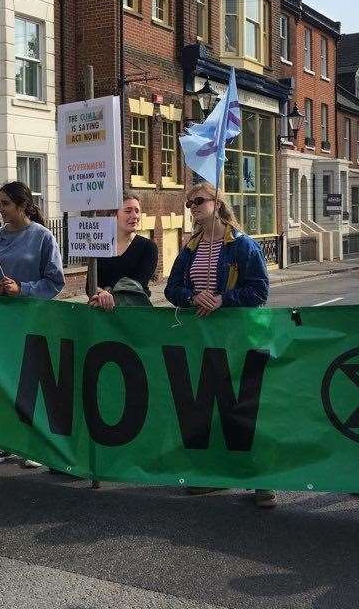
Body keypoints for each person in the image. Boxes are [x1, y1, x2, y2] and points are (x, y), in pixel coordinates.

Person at [164, 182, 274, 508]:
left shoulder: (242, 246)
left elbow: (258, 292)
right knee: (205, 408)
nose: (193, 207)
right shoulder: (190, 247)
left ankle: (262, 481)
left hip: (238, 339)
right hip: (202, 340)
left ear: (217, 202)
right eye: (190, 203)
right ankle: (211, 475)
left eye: (199, 201)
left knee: (242, 408)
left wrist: (223, 300)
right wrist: (191, 295)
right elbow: (172, 288)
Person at [0, 181, 65, 468]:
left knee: (33, 383)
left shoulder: (43, 237)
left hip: (34, 321)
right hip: (0, 324)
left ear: (23, 205)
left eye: (5, 204)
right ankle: (6, 442)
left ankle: (34, 445)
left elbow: (55, 282)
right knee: (4, 381)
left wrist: (22, 289)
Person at [87, 192, 158, 310]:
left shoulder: (147, 247)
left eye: (137, 211)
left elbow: (135, 286)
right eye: (128, 211)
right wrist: (100, 293)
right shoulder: (100, 245)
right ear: (114, 214)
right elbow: (90, 285)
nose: (134, 215)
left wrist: (106, 292)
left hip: (135, 313)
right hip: (103, 315)